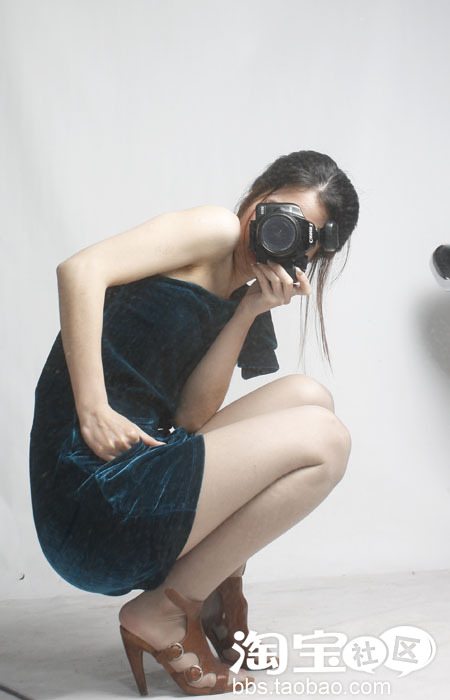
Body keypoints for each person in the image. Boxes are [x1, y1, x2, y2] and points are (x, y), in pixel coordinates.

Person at [29, 149, 359, 695]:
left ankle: (205, 595)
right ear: (258, 195)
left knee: (310, 397)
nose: (274, 234)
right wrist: (92, 407)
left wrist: (249, 310)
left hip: (142, 467)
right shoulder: (214, 229)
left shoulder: (248, 292)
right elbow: (80, 270)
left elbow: (188, 418)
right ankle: (166, 612)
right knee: (327, 441)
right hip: (91, 494)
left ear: (311, 253)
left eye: (297, 235)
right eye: (277, 214)